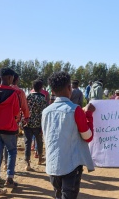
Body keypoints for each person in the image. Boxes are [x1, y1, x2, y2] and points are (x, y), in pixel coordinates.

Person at [42, 71, 95, 199]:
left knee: (58, 195)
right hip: (71, 165)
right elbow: (88, 136)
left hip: (53, 165)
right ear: (69, 88)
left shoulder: (46, 111)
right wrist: (88, 115)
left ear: (52, 91)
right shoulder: (75, 110)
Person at [0, 67, 20, 188]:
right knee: (12, 152)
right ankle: (9, 178)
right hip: (9, 128)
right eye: (12, 77)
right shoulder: (13, 93)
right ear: (9, 77)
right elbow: (16, 113)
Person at [24, 79, 47, 171]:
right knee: (39, 141)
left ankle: (27, 163)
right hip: (38, 123)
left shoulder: (28, 96)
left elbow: (24, 109)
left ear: (33, 87)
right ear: (41, 88)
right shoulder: (43, 98)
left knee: (27, 143)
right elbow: (44, 112)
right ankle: (40, 158)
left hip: (28, 123)